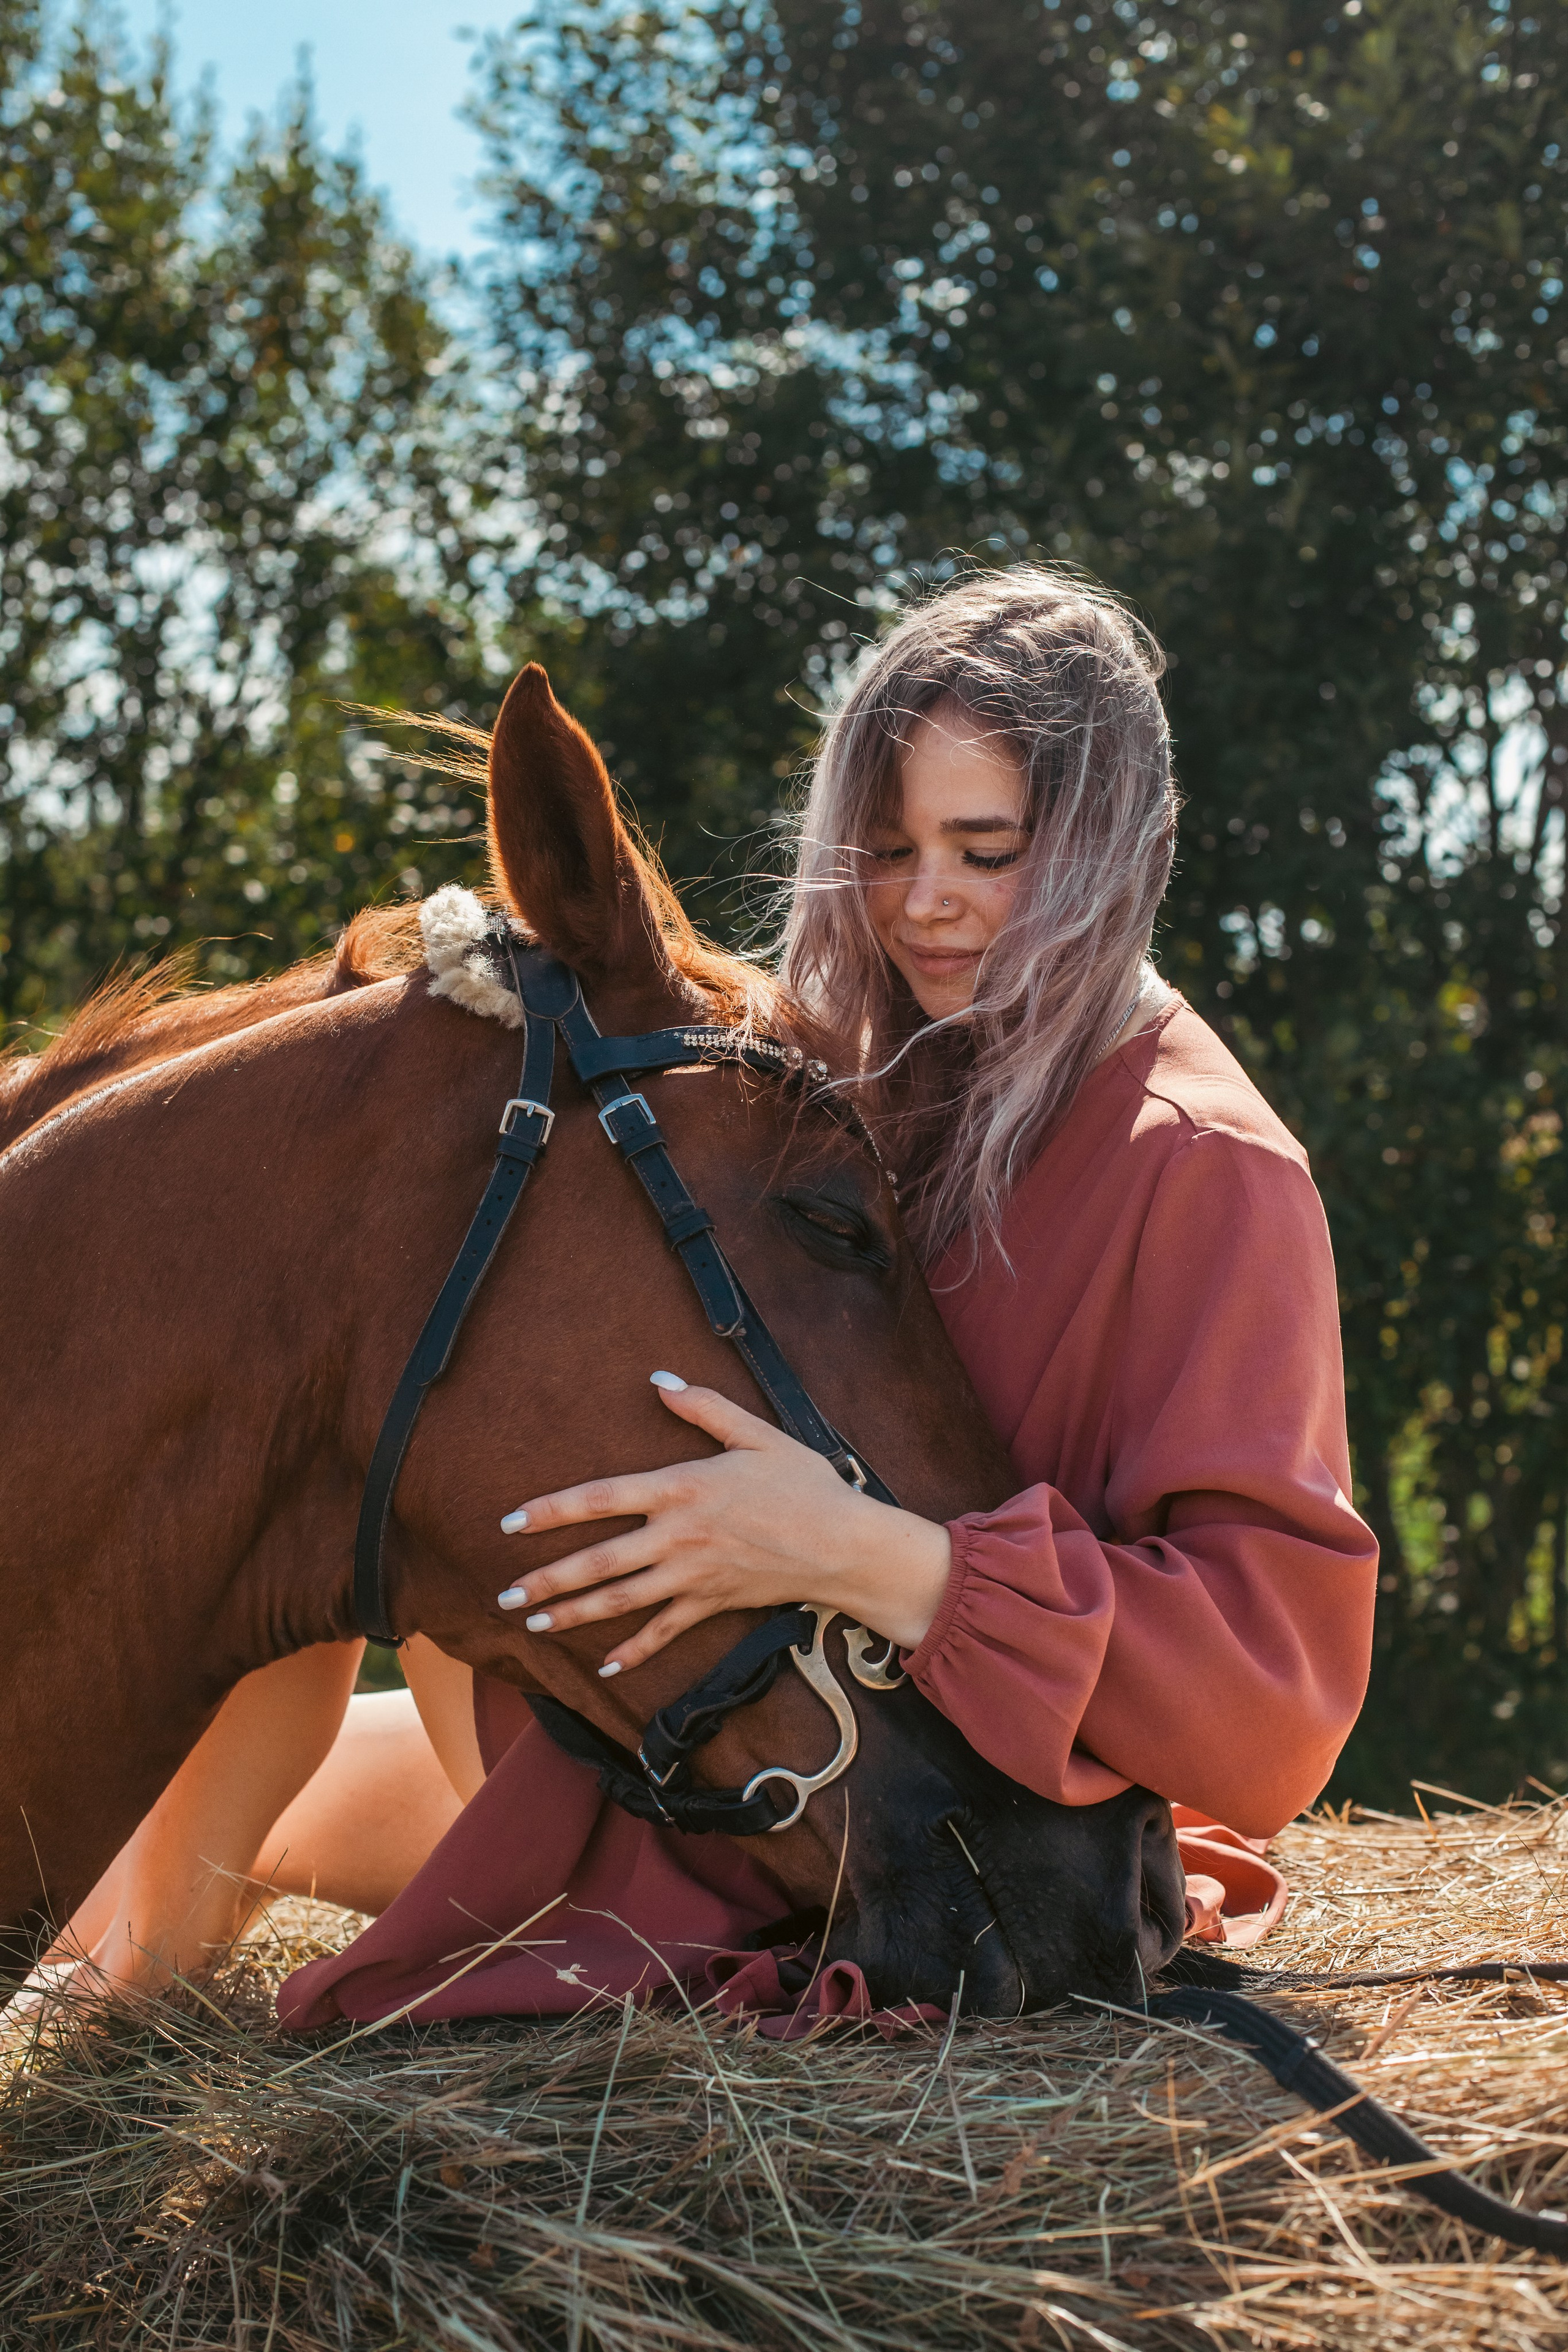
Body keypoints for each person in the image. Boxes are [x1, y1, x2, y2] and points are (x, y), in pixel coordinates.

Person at [39, 565, 1377, 2015]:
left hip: (930, 1801)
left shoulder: (1205, 1171)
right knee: (329, 1454)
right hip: (715, 1712)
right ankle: (108, 2000)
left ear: (1122, 853)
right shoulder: (859, 1070)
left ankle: (112, 2001)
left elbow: (1269, 1709)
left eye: (984, 853)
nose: (924, 904)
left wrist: (856, 1552)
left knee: (354, 1501)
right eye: (885, 847)